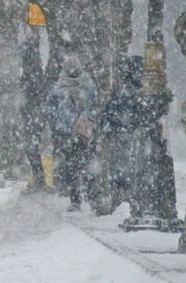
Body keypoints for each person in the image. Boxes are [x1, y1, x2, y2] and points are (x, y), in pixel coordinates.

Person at [45, 53, 97, 211]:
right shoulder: (87, 84)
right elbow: (50, 108)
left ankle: (83, 197)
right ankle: (78, 197)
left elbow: (49, 109)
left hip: (75, 132)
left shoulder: (60, 87)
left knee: (79, 166)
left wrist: (64, 119)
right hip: (72, 132)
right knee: (76, 166)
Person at [99, 55, 145, 215]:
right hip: (129, 135)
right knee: (128, 168)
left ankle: (123, 198)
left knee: (122, 168)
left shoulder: (125, 91)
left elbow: (111, 110)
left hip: (124, 135)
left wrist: (109, 126)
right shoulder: (135, 91)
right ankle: (127, 198)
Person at [20, 40, 47, 192]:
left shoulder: (31, 72)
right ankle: (39, 178)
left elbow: (31, 93)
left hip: (33, 114)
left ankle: (39, 179)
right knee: (32, 147)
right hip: (34, 114)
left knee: (31, 147)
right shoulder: (34, 70)